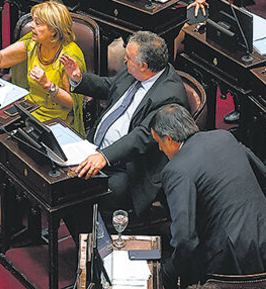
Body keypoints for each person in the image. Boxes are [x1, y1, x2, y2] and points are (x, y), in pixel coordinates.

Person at [151, 105, 266, 288]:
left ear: (169, 139)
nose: (160, 149)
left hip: (232, 259)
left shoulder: (176, 170)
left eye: (159, 143)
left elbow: (185, 239)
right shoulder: (224, 136)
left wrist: (169, 272)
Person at [0, 0, 86, 214]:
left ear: (54, 31)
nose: (32, 25)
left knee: (14, 149)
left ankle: (9, 205)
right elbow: (0, 60)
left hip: (57, 123)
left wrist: (48, 86)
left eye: (38, 23)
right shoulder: (33, 44)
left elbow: (72, 104)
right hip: (30, 112)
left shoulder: (70, 55)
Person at [61, 31, 187, 213]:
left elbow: (142, 136)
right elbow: (110, 86)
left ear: (143, 65)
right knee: (59, 175)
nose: (124, 60)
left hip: (129, 167)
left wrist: (104, 156)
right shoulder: (135, 71)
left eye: (128, 58)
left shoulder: (169, 95)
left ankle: (95, 236)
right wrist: (78, 78)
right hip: (94, 148)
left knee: (79, 195)